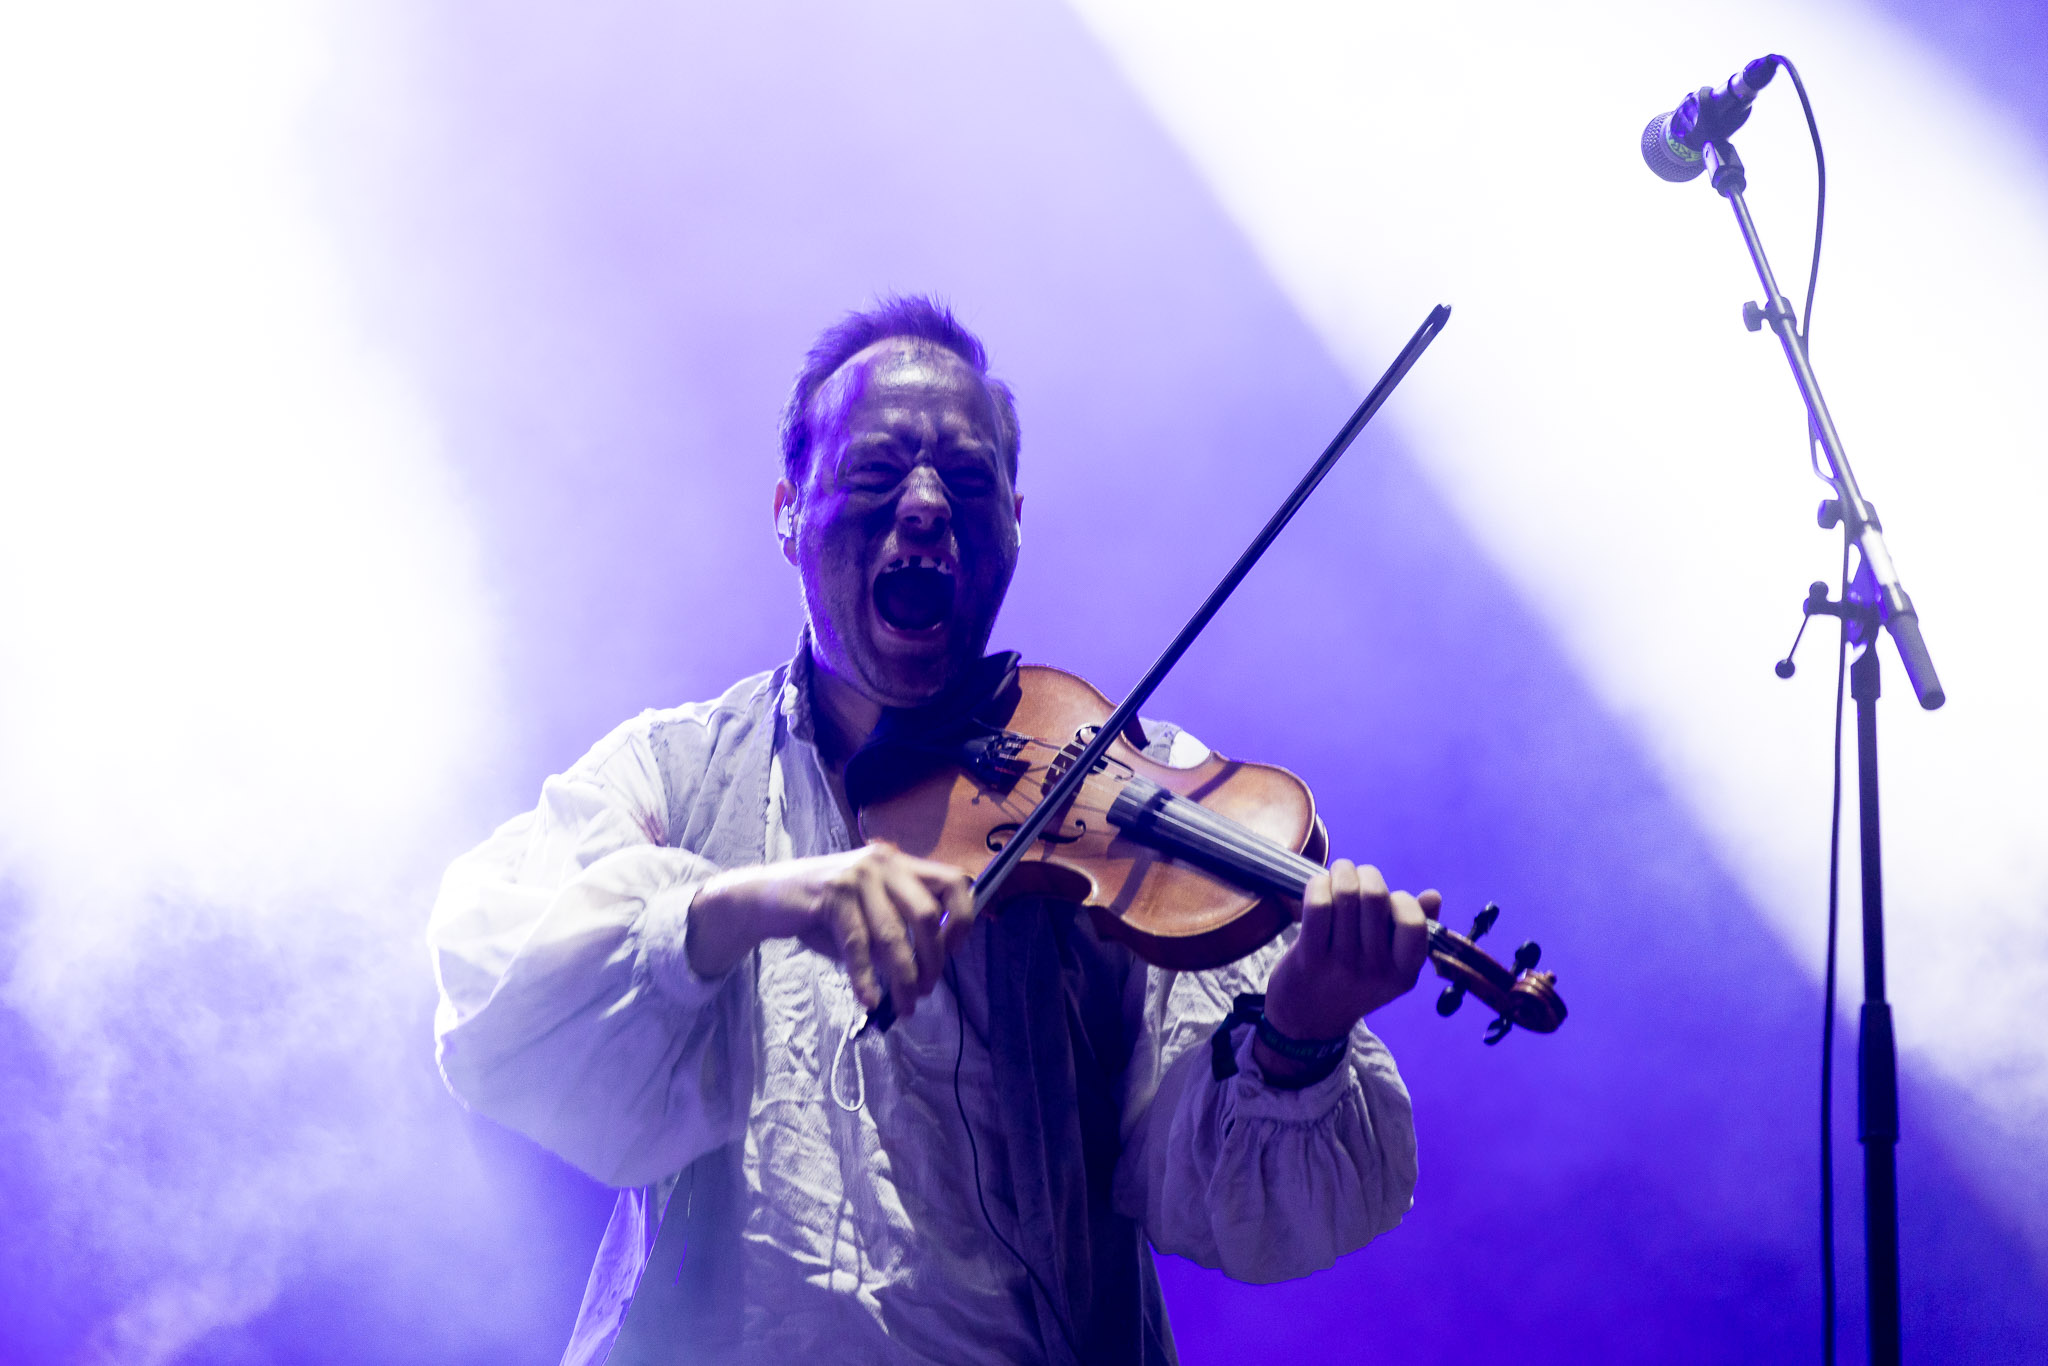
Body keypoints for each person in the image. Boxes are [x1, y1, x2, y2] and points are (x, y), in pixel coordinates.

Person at [428, 297, 1439, 1366]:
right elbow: (496, 1003)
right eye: (875, 471)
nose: (922, 505)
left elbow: (1238, 1210)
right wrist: (748, 902)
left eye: (965, 480)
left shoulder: (1126, 789)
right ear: (787, 511)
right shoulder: (672, 770)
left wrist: (1300, 1031)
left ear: (1013, 523)